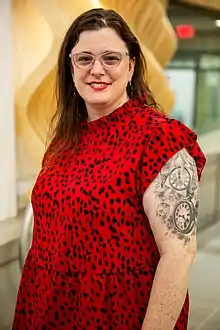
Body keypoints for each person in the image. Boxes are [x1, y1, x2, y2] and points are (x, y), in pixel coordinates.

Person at [13, 8, 206, 330]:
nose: (96, 70)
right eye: (84, 59)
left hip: (115, 313)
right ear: (70, 67)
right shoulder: (65, 139)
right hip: (44, 307)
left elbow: (179, 256)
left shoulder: (160, 138)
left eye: (111, 59)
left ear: (131, 66)